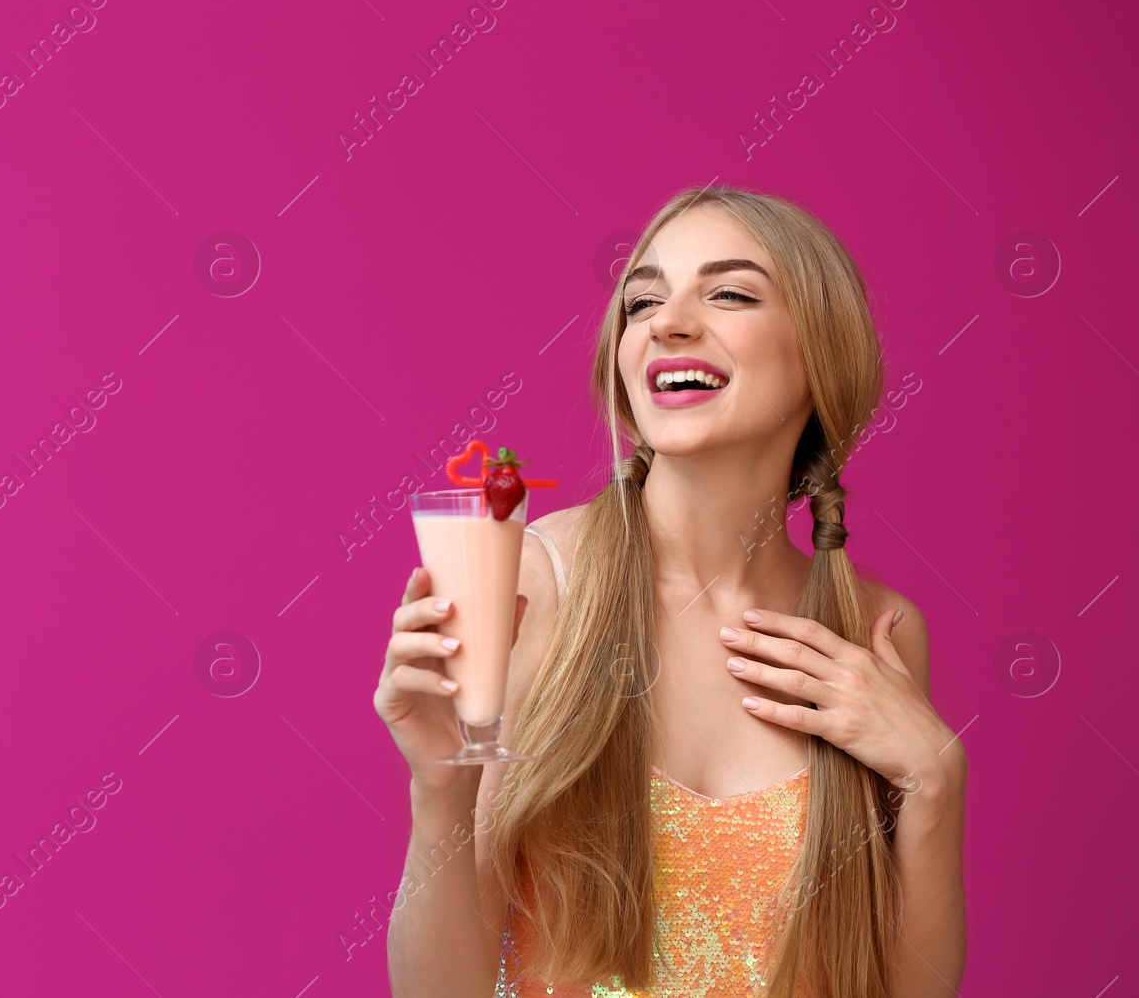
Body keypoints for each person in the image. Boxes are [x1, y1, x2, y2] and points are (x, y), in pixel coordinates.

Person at [375, 184, 967, 997]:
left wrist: (936, 782)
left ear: (822, 356)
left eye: (728, 292)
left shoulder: (875, 628)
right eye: (642, 300)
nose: (667, 321)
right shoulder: (532, 585)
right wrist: (439, 793)